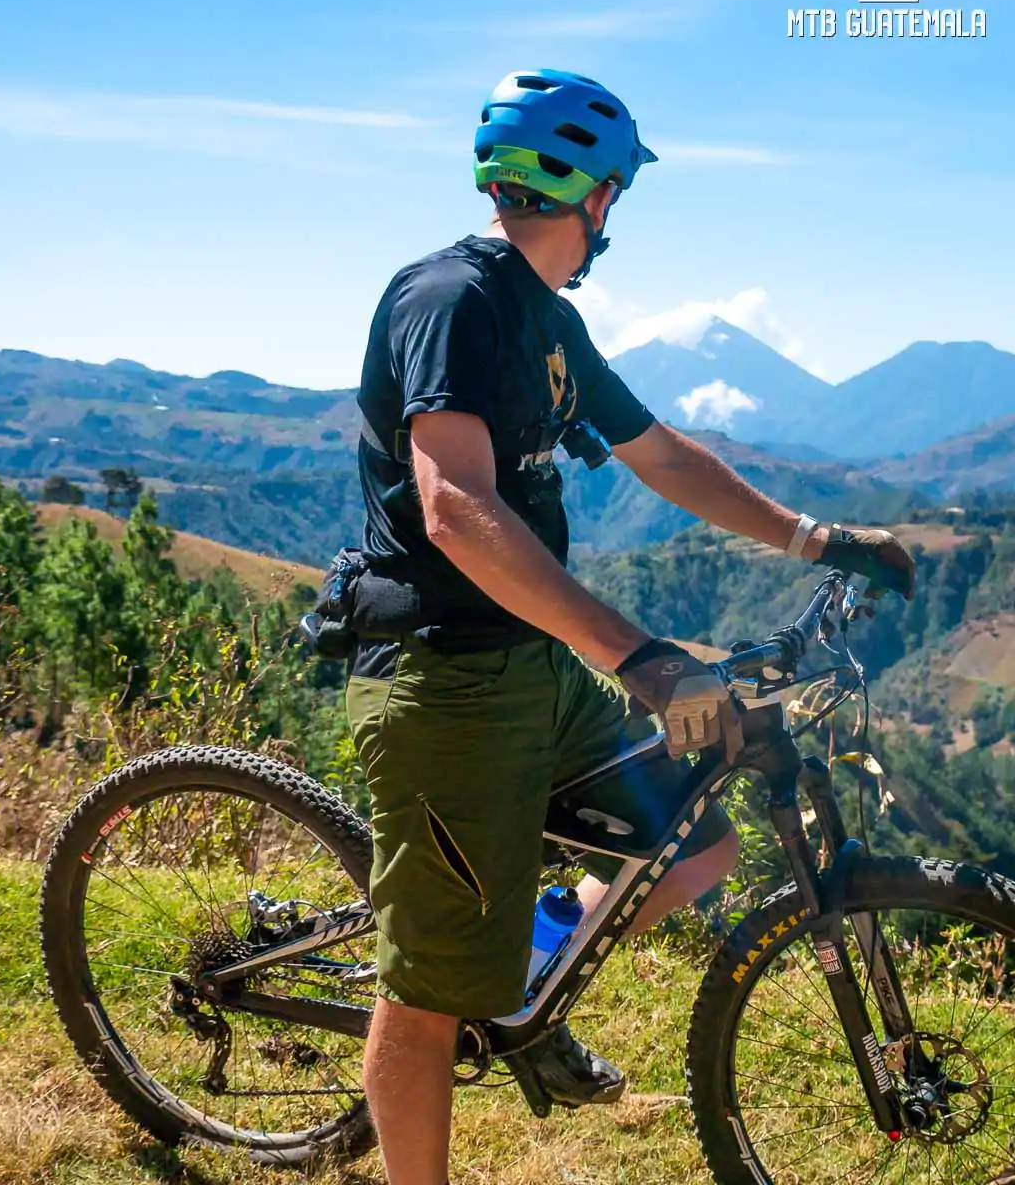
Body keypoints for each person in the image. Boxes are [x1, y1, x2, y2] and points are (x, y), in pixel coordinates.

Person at [342, 68, 916, 1185]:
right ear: (599, 196)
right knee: (423, 997)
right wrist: (642, 657)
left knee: (694, 839)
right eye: (616, 192)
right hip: (442, 680)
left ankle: (528, 983)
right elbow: (455, 509)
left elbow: (661, 456)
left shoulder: (547, 321)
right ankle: (468, 1031)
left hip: (531, 667)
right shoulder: (450, 300)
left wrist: (816, 536)